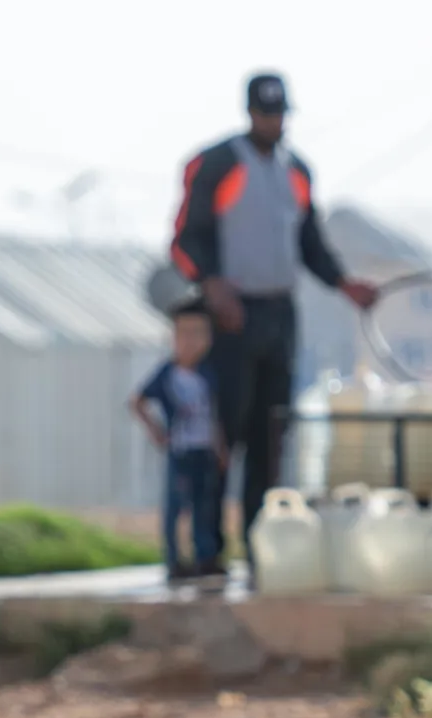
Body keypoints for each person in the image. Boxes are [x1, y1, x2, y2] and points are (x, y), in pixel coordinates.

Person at [172, 71, 380, 585]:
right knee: (224, 434)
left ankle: (261, 546)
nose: (275, 122)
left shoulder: (297, 171)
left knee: (271, 436)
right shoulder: (219, 163)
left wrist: (343, 283)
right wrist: (214, 286)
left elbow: (309, 241)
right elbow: (184, 240)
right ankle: (206, 547)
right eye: (267, 113)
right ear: (250, 113)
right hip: (231, 315)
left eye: (281, 113)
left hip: (278, 314)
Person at [131, 306, 230, 585]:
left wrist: (220, 447)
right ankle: (174, 560)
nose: (191, 341)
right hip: (181, 450)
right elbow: (137, 402)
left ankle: (205, 557)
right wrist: (158, 433)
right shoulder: (167, 374)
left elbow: (213, 414)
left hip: (204, 449)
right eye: (185, 334)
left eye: (198, 334)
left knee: (204, 506)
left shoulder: (208, 374)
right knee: (176, 507)